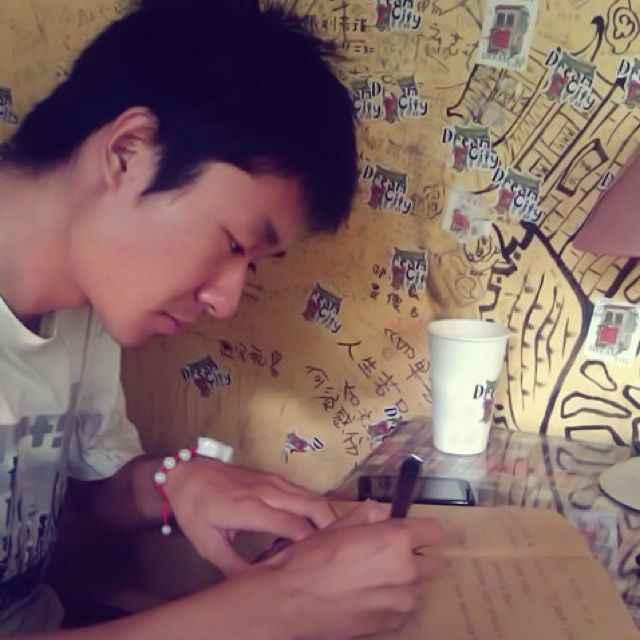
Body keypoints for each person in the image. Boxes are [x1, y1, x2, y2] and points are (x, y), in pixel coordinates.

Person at [0, 0, 442, 637]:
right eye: (234, 243)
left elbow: (74, 487)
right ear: (128, 151)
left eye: (251, 266)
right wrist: (282, 606)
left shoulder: (84, 298)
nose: (226, 302)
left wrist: (174, 483)